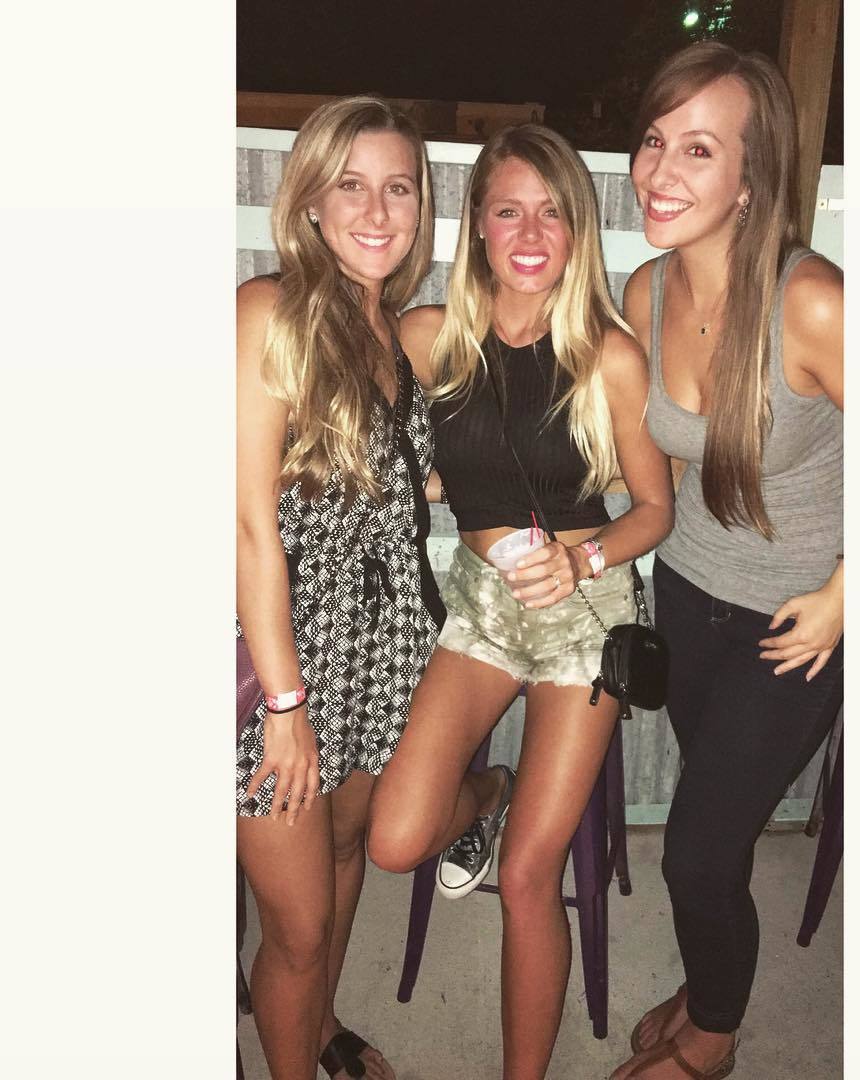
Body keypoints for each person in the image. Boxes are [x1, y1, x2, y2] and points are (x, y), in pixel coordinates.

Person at [366, 123, 674, 1078]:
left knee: (530, 876)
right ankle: (489, 792)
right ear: (478, 224)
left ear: (577, 228)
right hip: (483, 607)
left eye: (551, 212)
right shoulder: (426, 338)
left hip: (588, 619)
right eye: (508, 210)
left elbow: (655, 508)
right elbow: (398, 454)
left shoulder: (609, 357)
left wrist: (584, 564)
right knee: (394, 840)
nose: (530, 233)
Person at [610, 43, 844, 1080]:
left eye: (698, 150)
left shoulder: (813, 302)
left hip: (796, 620)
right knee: (718, 835)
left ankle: (713, 1037)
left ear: (752, 177)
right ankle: (711, 981)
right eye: (654, 140)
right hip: (687, 592)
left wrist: (848, 594)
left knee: (697, 850)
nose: (659, 172)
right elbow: (648, 462)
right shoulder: (645, 291)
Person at [236, 96, 444, 1080]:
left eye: (398, 187)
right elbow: (246, 524)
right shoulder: (268, 312)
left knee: (349, 849)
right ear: (311, 200)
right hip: (282, 657)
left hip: (383, 646)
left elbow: (390, 483)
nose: (376, 209)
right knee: (299, 928)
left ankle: (317, 1027)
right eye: (351, 185)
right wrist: (286, 706)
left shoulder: (393, 331)